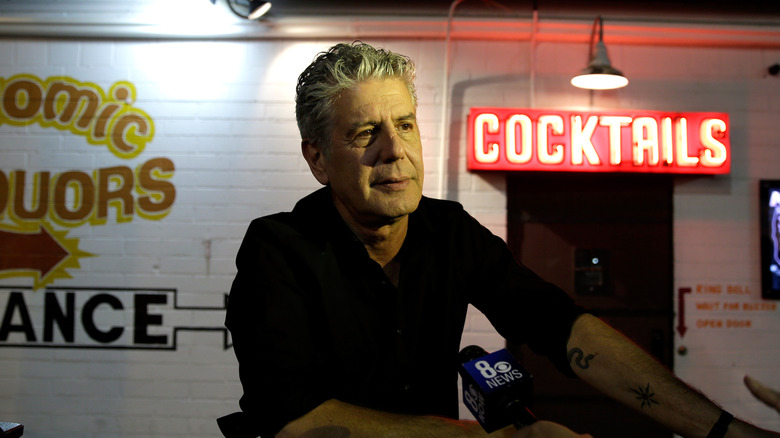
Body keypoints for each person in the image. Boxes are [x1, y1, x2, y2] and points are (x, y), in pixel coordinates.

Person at [225, 41, 779, 438]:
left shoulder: (449, 232)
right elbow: (295, 421)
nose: (394, 150)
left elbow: (562, 328)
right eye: (366, 133)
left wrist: (725, 431)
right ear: (317, 158)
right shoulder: (277, 250)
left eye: (406, 124)